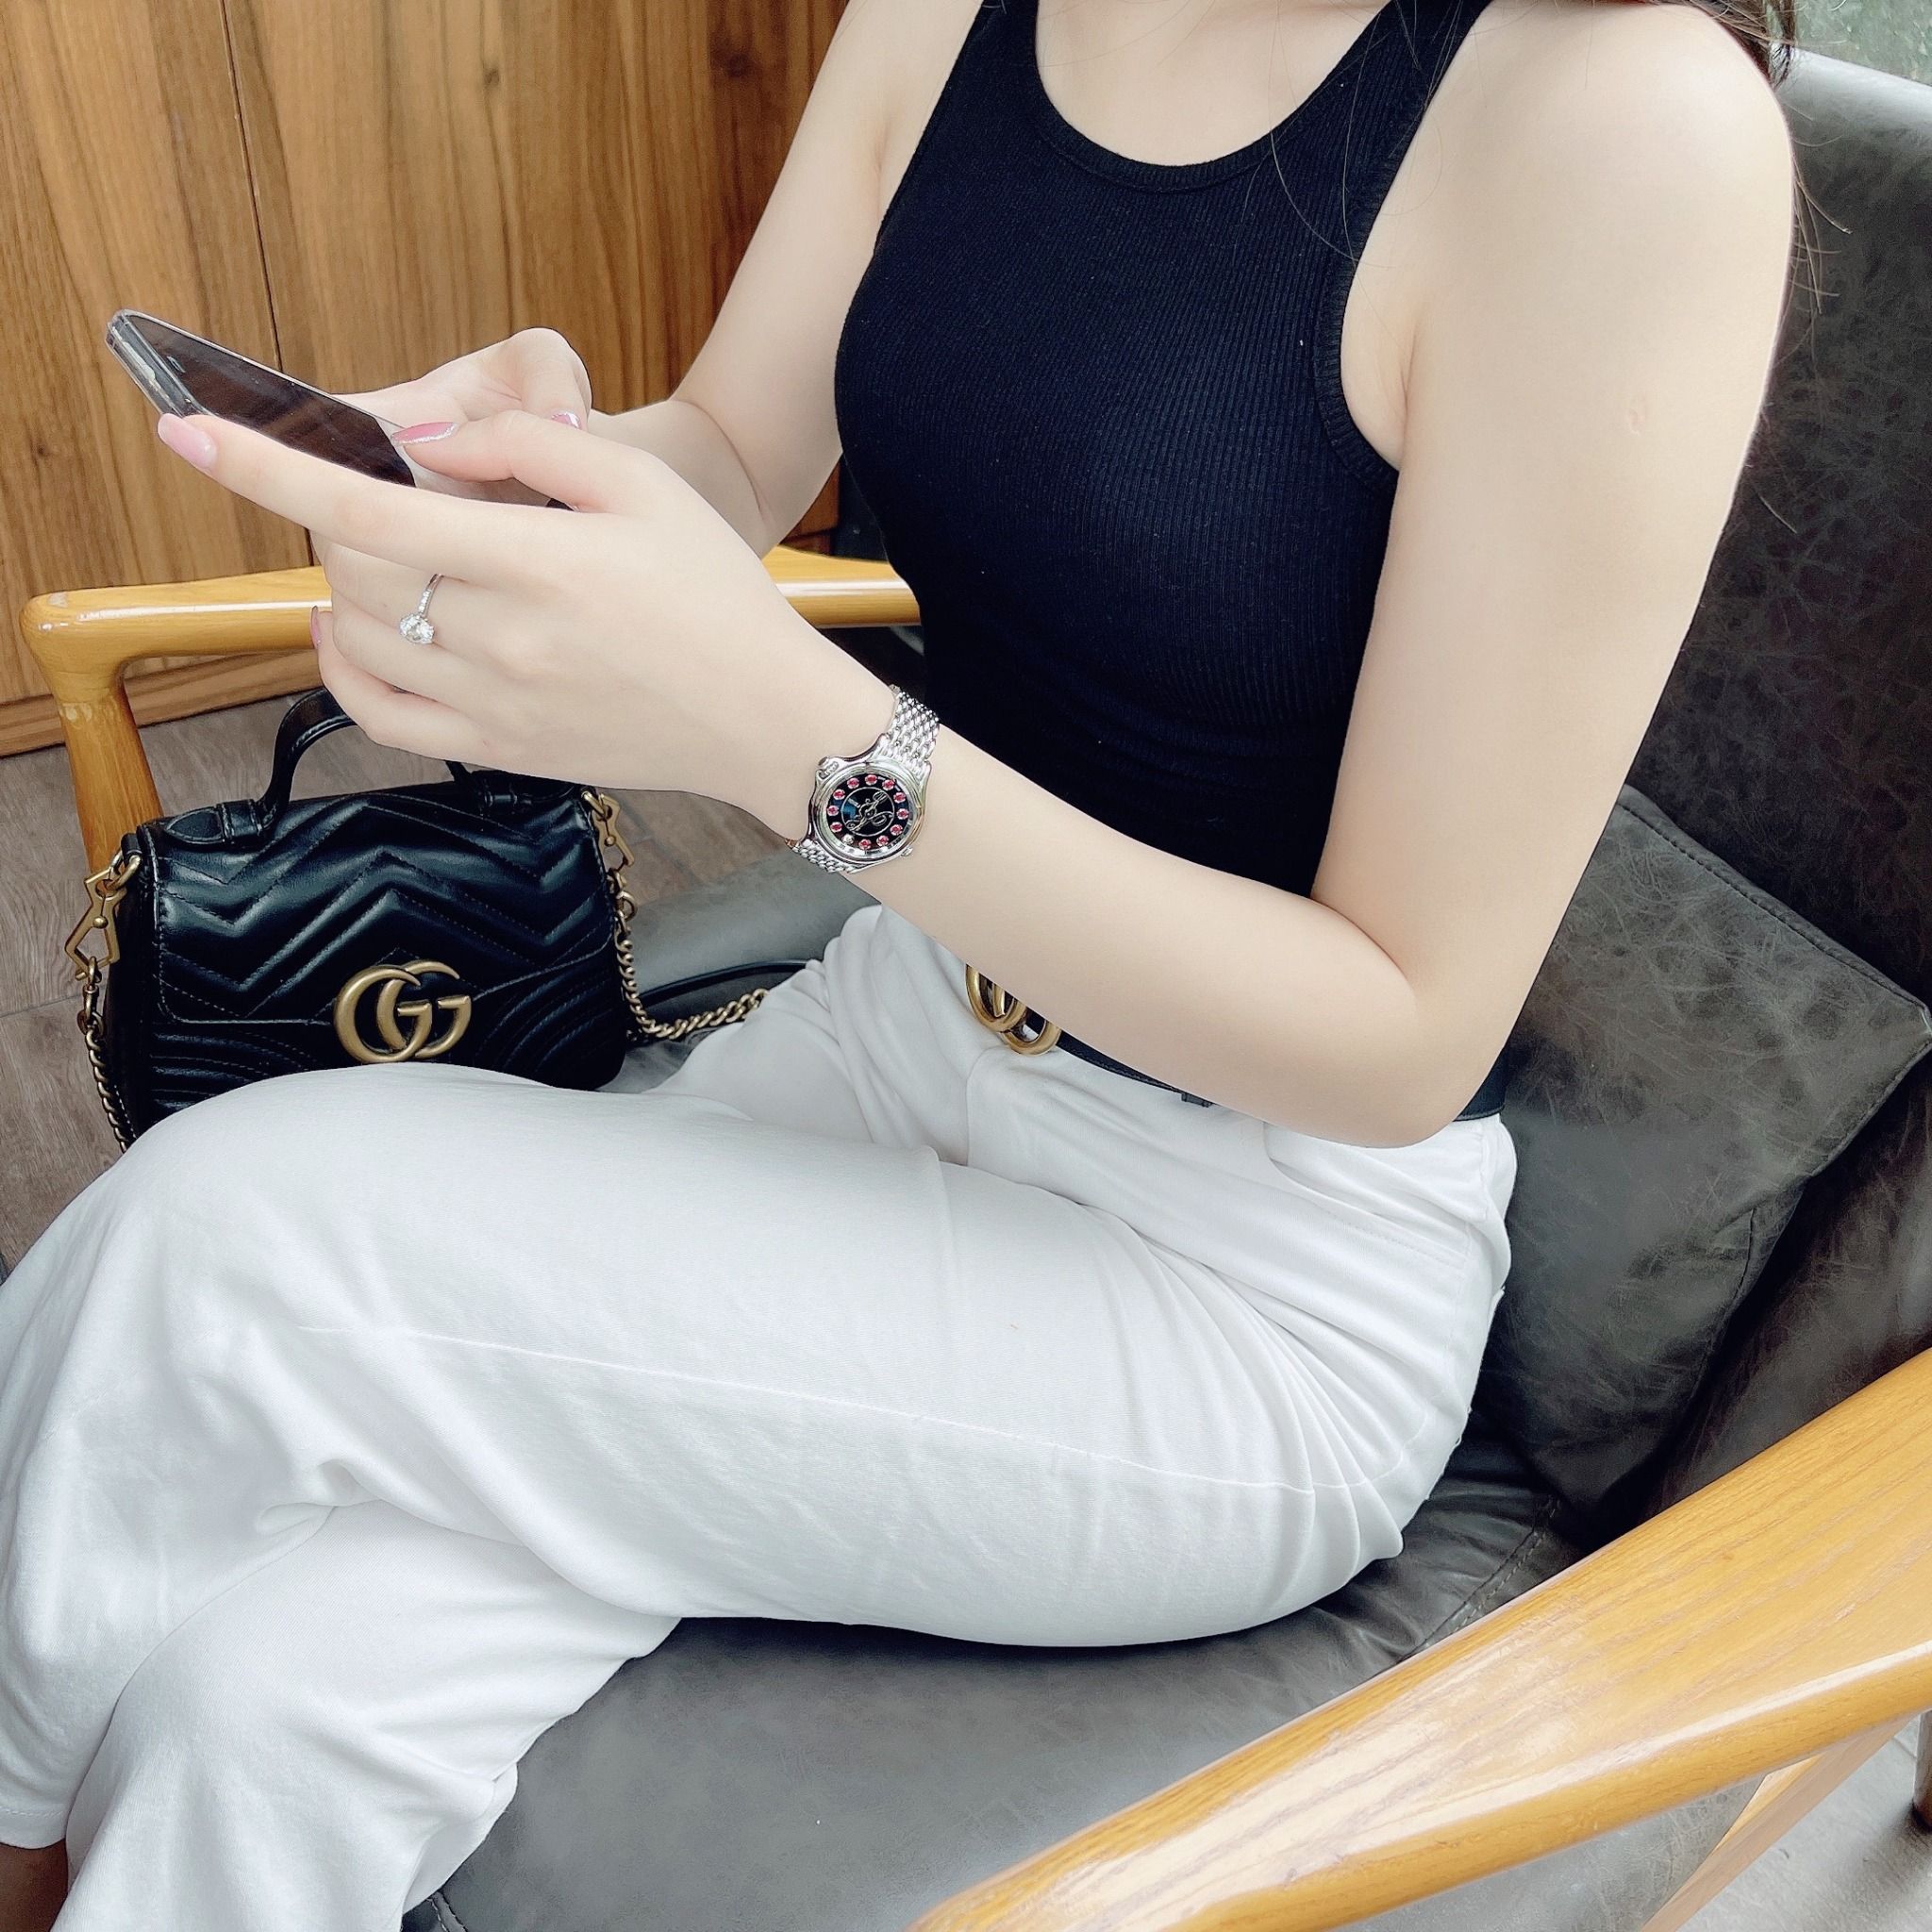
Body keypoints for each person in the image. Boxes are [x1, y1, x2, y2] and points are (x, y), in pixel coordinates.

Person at [0, 0, 1797, 1924]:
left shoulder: (1615, 124)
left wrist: (794, 741)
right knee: (255, 1705)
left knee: (226, 1241)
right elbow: (730, 447)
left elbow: (1395, 1037)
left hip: (1240, 1266)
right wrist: (534, 476)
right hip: (898, 1035)